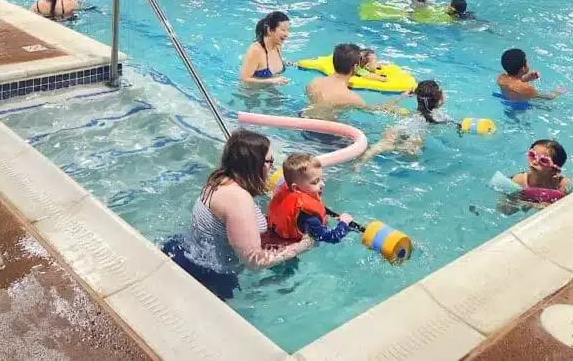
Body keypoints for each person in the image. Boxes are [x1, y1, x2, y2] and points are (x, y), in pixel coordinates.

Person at [162, 131, 313, 300]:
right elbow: (254, 261)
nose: (273, 167)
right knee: (289, 276)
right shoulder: (238, 200)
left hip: (183, 250)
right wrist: (305, 244)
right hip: (210, 277)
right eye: (270, 161)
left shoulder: (218, 179)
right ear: (254, 164)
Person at [267, 153, 353, 245]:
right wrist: (344, 223)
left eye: (321, 179)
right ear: (296, 188)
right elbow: (331, 237)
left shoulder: (284, 192)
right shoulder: (308, 217)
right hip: (289, 247)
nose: (323, 184)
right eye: (315, 182)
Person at [358, 80, 448, 162]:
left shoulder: (405, 113)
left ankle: (359, 163)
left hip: (403, 125)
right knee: (410, 152)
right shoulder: (441, 116)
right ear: (440, 100)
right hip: (417, 134)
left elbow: (385, 108)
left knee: (383, 144)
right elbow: (457, 125)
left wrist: (402, 96)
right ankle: (395, 147)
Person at [305, 43, 403, 113]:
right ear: (356, 67)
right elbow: (377, 110)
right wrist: (400, 99)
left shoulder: (314, 82)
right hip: (324, 132)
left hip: (303, 117)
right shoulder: (351, 98)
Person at [239, 11, 290, 85]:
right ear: (269, 30)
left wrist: (285, 63)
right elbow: (244, 79)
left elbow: (273, 62)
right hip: (251, 93)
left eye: (288, 30)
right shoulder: (255, 50)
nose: (287, 34)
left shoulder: (278, 46)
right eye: (283, 30)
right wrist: (271, 81)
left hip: (270, 90)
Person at [497, 48, 565, 101]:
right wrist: (556, 92)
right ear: (523, 69)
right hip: (520, 107)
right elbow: (548, 97)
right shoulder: (526, 88)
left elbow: (514, 83)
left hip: (505, 100)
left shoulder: (501, 77)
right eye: (526, 62)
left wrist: (526, 78)